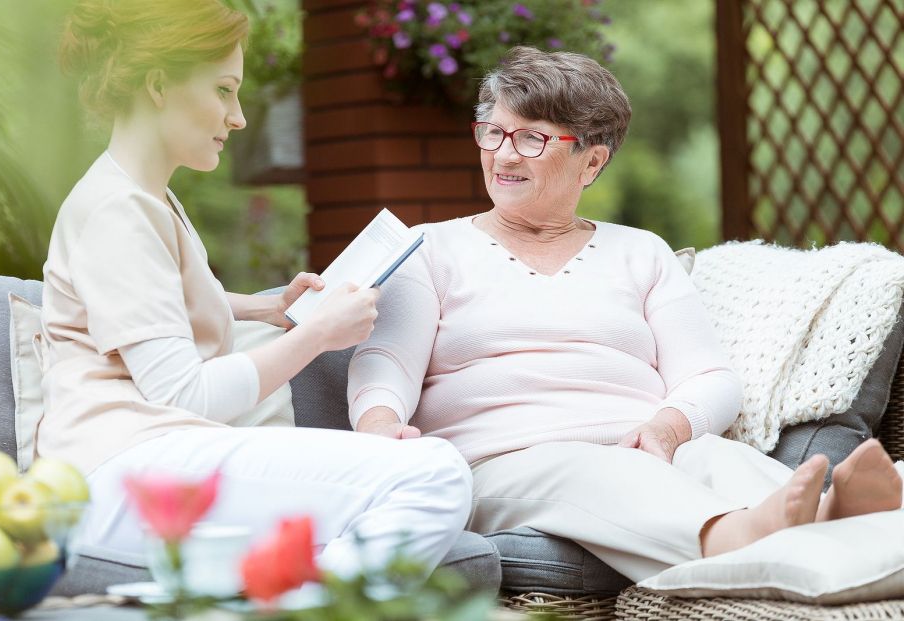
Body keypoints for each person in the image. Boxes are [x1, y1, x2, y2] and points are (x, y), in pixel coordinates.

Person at [347, 46, 903, 581]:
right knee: (592, 470)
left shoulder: (642, 251)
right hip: (504, 458)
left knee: (712, 457)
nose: (505, 153)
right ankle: (733, 538)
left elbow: (708, 376)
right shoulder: (428, 249)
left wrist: (667, 428)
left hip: (641, 448)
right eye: (494, 131)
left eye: (533, 138)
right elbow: (385, 359)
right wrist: (380, 427)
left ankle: (840, 517)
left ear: (591, 161)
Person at [39, 0, 471, 580]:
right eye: (223, 90)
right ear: (159, 84)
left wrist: (267, 308)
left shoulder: (142, 198)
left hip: (141, 461)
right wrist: (317, 335)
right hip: (123, 469)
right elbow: (184, 395)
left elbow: (150, 307)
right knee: (435, 473)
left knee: (403, 482)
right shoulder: (118, 211)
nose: (239, 116)